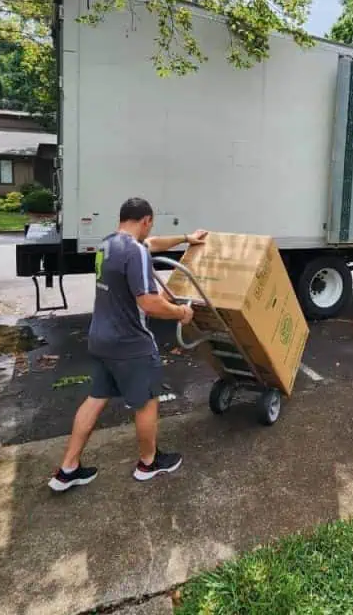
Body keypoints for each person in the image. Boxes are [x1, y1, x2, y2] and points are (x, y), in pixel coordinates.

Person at [48, 197, 207, 491]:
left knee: (95, 398)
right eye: (150, 225)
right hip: (130, 342)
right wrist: (181, 313)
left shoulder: (108, 245)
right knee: (146, 401)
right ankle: (149, 463)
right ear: (145, 220)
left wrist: (187, 239)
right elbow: (149, 303)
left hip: (101, 338)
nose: (150, 231)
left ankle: (67, 469)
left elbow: (154, 243)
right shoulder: (135, 252)